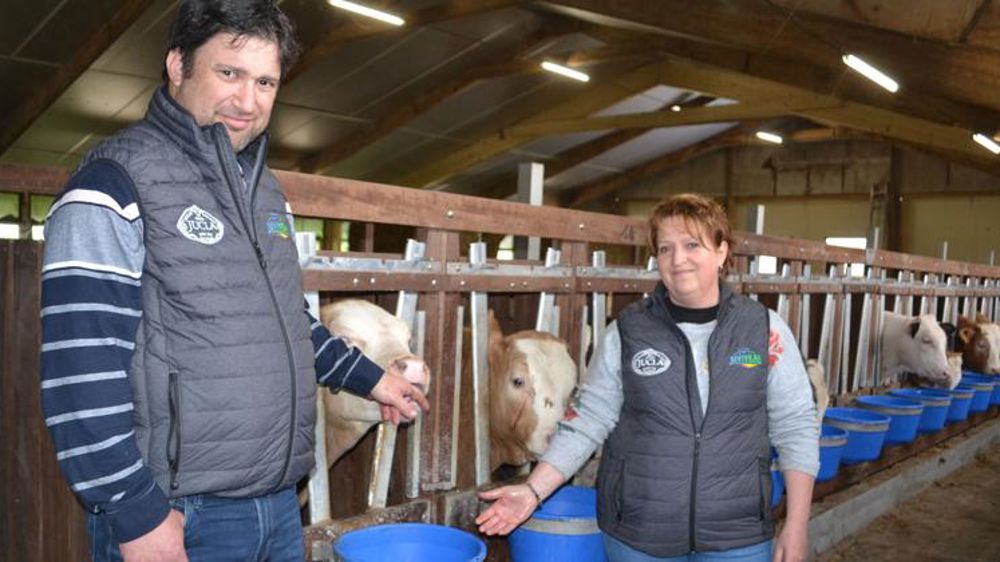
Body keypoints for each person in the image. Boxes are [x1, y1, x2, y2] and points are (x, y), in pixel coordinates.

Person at [39, 1, 429, 560]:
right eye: (229, 73)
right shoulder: (113, 183)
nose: (248, 101)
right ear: (178, 65)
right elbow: (78, 364)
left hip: (277, 505)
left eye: (265, 81)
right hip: (178, 512)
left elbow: (286, 323)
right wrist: (134, 512)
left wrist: (373, 380)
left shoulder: (266, 193)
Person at [477, 194, 819, 562]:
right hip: (639, 537)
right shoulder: (628, 331)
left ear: (721, 252)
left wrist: (797, 525)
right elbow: (589, 419)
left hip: (737, 537)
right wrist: (532, 491)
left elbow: (795, 426)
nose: (678, 259)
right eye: (666, 248)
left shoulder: (763, 329)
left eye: (692, 245)